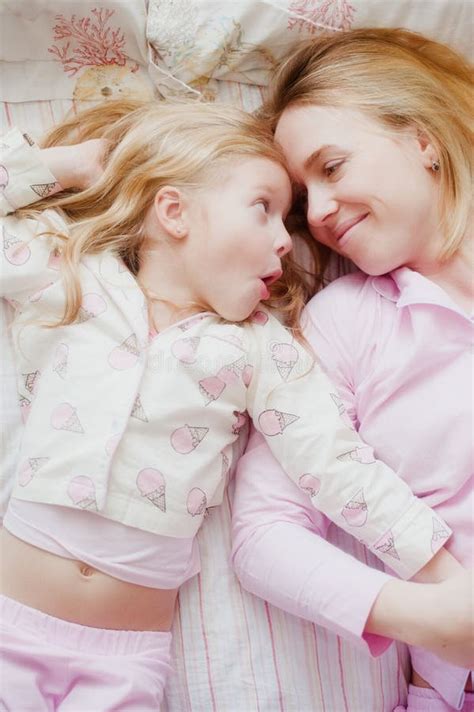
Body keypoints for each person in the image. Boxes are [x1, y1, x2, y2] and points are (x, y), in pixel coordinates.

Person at [0, 98, 458, 709]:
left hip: (125, 661)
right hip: (11, 625)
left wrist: (448, 580)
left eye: (287, 223)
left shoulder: (258, 348)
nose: (285, 243)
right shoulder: (73, 275)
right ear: (173, 211)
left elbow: (338, 465)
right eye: (264, 210)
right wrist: (69, 166)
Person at [231, 27, 473, 712]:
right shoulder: (350, 320)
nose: (320, 214)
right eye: (304, 200)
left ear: (421, 138)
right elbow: (262, 536)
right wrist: (432, 617)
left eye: (330, 167)